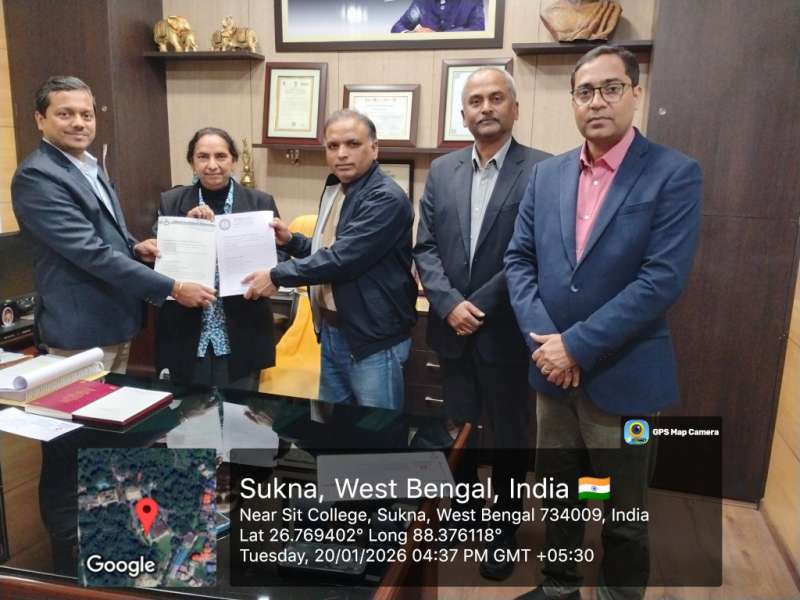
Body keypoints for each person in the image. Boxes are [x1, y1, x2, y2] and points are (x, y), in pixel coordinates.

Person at [504, 46, 703, 600]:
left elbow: (661, 281)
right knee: (560, 494)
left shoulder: (673, 173)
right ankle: (559, 585)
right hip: (552, 375)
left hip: (626, 379)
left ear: (636, 93)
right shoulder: (546, 175)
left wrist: (576, 346)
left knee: (624, 507)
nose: (597, 101)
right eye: (585, 91)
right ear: (573, 101)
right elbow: (519, 260)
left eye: (611, 88)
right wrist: (546, 346)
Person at [414, 67, 550, 580]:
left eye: (496, 98)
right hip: (451, 328)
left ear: (515, 108)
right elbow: (425, 246)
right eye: (475, 100)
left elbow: (534, 252)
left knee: (510, 434)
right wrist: (449, 303)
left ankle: (503, 528)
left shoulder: (543, 170)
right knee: (460, 427)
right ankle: (467, 514)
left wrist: (479, 305)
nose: (486, 107)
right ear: (463, 113)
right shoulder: (442, 170)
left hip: (507, 331)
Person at [11, 75, 215, 374]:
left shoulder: (88, 167)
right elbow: (90, 251)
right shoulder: (38, 176)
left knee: (110, 403)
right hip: (80, 330)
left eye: (86, 115)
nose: (79, 123)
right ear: (40, 120)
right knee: (81, 404)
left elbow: (105, 230)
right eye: (65, 114)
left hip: (114, 320)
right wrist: (174, 287)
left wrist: (134, 247)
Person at [242, 109, 416, 410]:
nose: (342, 154)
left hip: (372, 339)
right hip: (333, 331)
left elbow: (343, 259)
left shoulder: (385, 197)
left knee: (378, 429)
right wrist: (292, 241)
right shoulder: (337, 188)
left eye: (352, 144)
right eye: (333, 146)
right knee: (336, 427)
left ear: (374, 148)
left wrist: (275, 275)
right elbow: (329, 247)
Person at [155, 127, 281, 389]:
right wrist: (185, 228)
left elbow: (278, 255)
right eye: (203, 157)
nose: (212, 165)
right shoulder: (171, 202)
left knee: (240, 409)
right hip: (187, 331)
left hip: (243, 328)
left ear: (233, 160)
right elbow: (160, 262)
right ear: (192, 162)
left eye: (221, 156)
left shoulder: (260, 202)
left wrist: (267, 278)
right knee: (191, 411)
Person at [391, 0, 485, 33]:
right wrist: (412, 34)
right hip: (426, 55)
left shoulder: (472, 1)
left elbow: (478, 29)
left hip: (457, 53)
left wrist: (437, 36)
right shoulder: (422, 2)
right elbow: (397, 27)